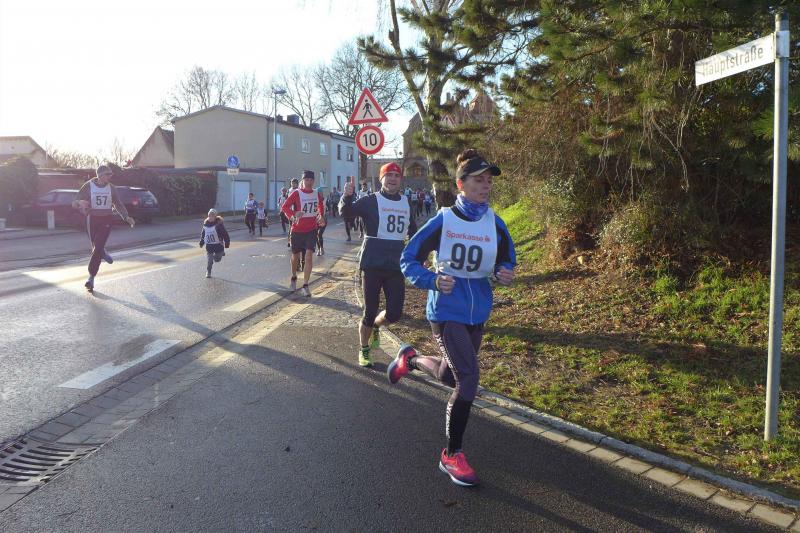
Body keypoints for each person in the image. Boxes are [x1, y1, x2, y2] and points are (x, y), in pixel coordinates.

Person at [389, 148, 516, 487]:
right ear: (461, 184)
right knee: (469, 378)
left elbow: (507, 258)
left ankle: (410, 359)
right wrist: (432, 280)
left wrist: (505, 272)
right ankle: (451, 455)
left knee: (450, 376)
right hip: (446, 311)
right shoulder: (443, 220)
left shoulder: (495, 223)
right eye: (478, 180)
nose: (486, 185)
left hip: (478, 311)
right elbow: (407, 260)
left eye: (488, 181)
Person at [340, 162, 418, 367]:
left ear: (401, 180)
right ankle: (364, 349)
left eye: (396, 175)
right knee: (369, 311)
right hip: (372, 264)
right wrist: (346, 196)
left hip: (395, 265)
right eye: (388, 175)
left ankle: (376, 325)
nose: (392, 179)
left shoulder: (406, 202)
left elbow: (414, 232)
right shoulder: (370, 200)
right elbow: (347, 214)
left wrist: (419, 255)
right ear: (381, 178)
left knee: (394, 313)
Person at [71, 164, 135, 292]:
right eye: (107, 174)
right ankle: (102, 252)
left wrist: (126, 217)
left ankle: (91, 277)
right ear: (100, 175)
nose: (110, 176)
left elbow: (118, 204)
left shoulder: (112, 188)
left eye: (111, 174)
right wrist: (79, 203)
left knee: (97, 248)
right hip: (92, 219)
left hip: (106, 220)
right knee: (96, 247)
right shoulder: (88, 186)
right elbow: (74, 202)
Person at [280, 170, 324, 297]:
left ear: (313, 181)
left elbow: (320, 206)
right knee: (296, 257)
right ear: (303, 181)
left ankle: (305, 285)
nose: (309, 182)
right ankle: (294, 277)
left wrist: (321, 216)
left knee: (309, 256)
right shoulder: (296, 193)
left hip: (311, 230)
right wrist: (294, 214)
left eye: (311, 180)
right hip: (297, 230)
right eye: (306, 180)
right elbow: (284, 207)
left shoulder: (316, 193)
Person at [199, 209, 230, 278]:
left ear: (215, 217)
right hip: (209, 246)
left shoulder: (219, 224)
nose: (211, 217)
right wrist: (201, 242)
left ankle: (221, 252)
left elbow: (225, 234)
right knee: (209, 261)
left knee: (217, 259)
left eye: (212, 216)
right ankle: (208, 272)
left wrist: (227, 243)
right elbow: (203, 234)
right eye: (209, 215)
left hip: (218, 246)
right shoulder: (205, 224)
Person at [316, 186, 327, 256]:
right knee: (316, 235)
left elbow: (327, 208)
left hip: (323, 219)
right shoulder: (315, 200)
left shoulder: (325, 200)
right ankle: (319, 248)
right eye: (317, 193)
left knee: (319, 234)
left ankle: (321, 249)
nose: (319, 194)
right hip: (316, 219)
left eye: (320, 193)